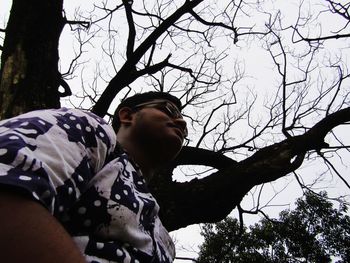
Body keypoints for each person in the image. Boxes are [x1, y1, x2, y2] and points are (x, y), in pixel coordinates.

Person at [0, 91, 187, 263]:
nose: (182, 123)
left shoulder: (163, 236)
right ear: (127, 116)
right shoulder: (92, 132)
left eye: (184, 129)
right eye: (168, 110)